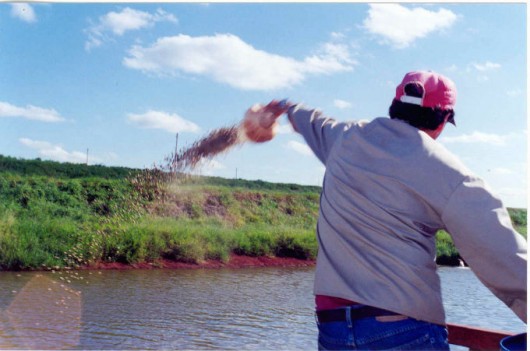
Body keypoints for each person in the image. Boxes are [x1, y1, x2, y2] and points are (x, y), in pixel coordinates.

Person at [245, 70, 527, 350]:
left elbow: (311, 120)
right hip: (402, 327)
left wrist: (283, 107)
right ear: (443, 121)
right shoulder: (451, 175)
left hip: (333, 328)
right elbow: (504, 256)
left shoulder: (344, 138)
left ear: (394, 107)